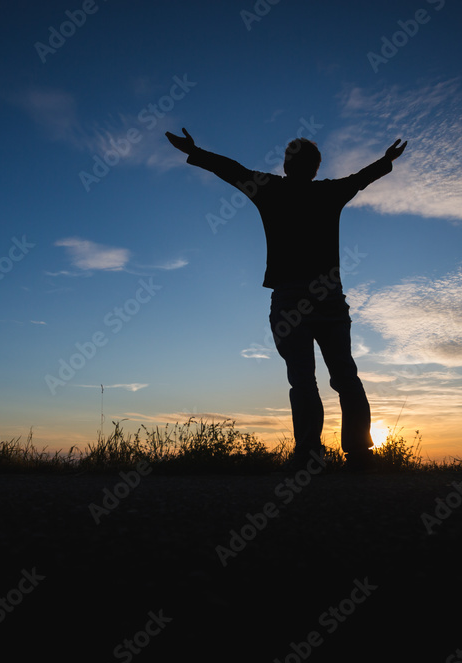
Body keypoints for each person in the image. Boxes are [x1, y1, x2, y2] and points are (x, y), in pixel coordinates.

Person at [165, 127, 407, 470]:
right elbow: (360, 179)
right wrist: (385, 161)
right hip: (328, 300)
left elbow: (232, 170)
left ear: (286, 165)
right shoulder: (329, 193)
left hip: (292, 300)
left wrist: (195, 150)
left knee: (303, 379)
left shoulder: (270, 189)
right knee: (345, 376)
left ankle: (309, 454)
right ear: (316, 167)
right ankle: (359, 454)